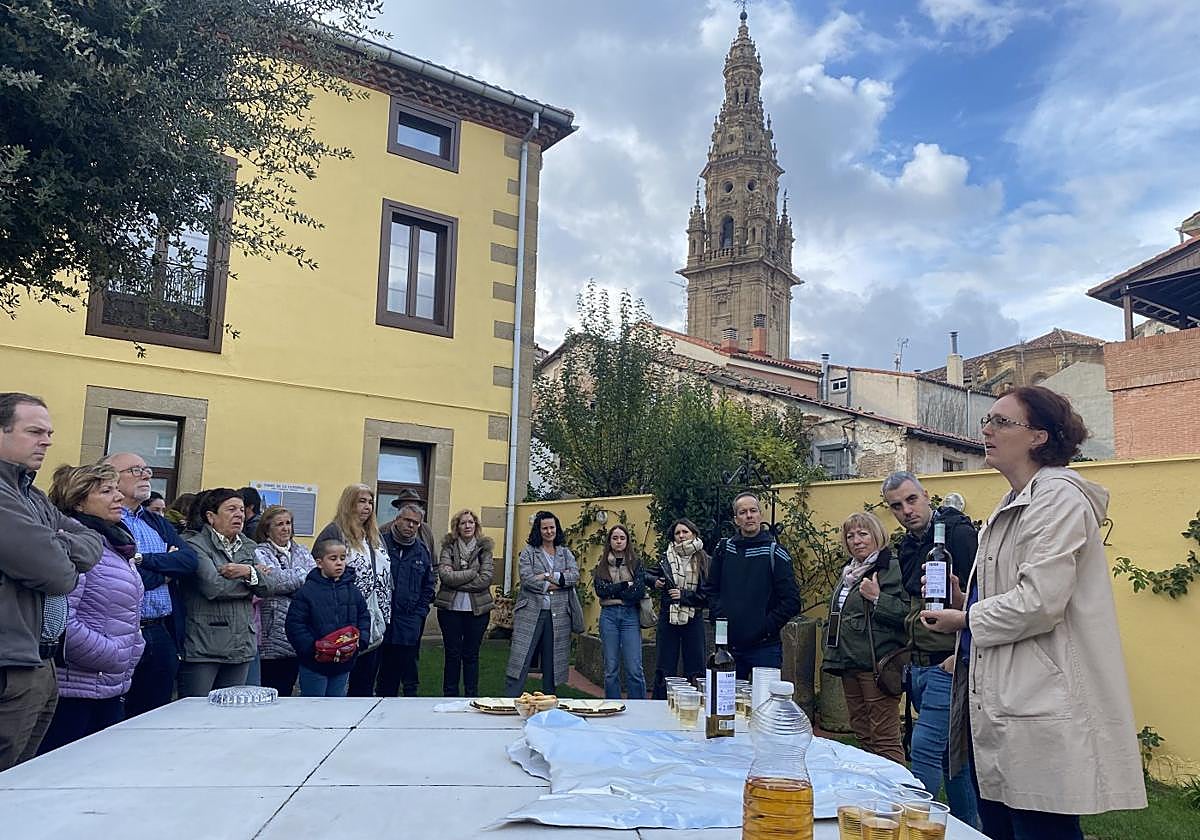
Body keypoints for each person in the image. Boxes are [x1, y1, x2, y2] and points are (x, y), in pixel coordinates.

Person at [923, 386, 1146, 840]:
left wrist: (966, 620)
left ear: (1039, 437)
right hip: (1002, 698)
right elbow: (1015, 595)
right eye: (988, 420)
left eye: (1002, 422)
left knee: (1041, 826)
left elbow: (1041, 602)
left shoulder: (1058, 499)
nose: (986, 429)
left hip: (1041, 698)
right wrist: (967, 603)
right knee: (1003, 825)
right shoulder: (1010, 503)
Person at [0, 393, 102, 769]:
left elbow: (93, 542)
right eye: (34, 431)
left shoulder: (31, 495)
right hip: (9, 668)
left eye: (49, 432)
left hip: (38, 663)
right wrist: (56, 545)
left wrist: (53, 540)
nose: (47, 441)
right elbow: (57, 575)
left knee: (21, 784)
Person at [881, 469, 979, 824]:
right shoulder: (907, 545)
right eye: (896, 506)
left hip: (949, 663)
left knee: (924, 749)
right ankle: (970, 829)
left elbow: (981, 598)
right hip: (920, 666)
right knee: (952, 760)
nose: (906, 510)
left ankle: (915, 825)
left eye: (911, 499)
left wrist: (960, 654)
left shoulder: (958, 534)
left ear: (926, 496)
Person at [39, 463, 145, 752]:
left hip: (110, 684)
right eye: (107, 491)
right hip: (76, 688)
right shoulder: (77, 546)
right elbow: (61, 621)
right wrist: (112, 654)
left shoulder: (114, 542)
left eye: (117, 489)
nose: (119, 497)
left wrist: (134, 648)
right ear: (79, 501)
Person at [104, 452, 198, 718]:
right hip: (121, 632)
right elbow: (124, 579)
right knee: (115, 717)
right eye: (135, 470)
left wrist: (143, 559)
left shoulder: (154, 520)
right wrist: (166, 571)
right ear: (112, 477)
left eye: (146, 469)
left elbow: (189, 561)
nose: (147, 475)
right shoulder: (107, 520)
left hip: (160, 630)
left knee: (153, 715)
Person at [819, 512, 908, 765]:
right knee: (862, 732)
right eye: (850, 536)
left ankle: (899, 794)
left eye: (863, 534)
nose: (856, 540)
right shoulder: (850, 571)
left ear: (876, 535)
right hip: (848, 662)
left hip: (876, 664)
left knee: (884, 738)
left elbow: (906, 612)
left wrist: (878, 597)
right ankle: (872, 791)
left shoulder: (889, 567)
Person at [177, 488, 276, 696]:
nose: (239, 514)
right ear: (211, 516)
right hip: (205, 644)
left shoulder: (248, 545)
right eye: (231, 509)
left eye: (241, 509)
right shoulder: (194, 544)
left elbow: (268, 586)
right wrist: (252, 582)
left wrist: (247, 572)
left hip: (241, 644)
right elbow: (213, 587)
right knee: (195, 713)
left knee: (229, 716)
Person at [702, 493, 800, 679]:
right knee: (726, 704)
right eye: (743, 512)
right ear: (736, 519)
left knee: (763, 705)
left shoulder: (775, 553)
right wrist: (718, 616)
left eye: (753, 511)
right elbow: (711, 590)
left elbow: (792, 601)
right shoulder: (723, 550)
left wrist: (765, 626)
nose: (749, 516)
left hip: (765, 648)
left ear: (760, 515)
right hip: (728, 649)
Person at [317, 484, 390, 697]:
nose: (367, 507)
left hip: (376, 616)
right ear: (349, 504)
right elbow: (321, 570)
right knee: (344, 681)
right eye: (361, 501)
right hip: (347, 616)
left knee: (366, 681)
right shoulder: (334, 532)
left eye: (370, 502)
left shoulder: (374, 535)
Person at [504, 511, 579, 697]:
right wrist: (557, 582)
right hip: (531, 612)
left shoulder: (565, 552)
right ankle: (511, 699)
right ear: (539, 530)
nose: (549, 531)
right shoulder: (529, 552)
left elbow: (574, 576)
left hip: (559, 615)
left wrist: (546, 577)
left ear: (557, 528)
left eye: (552, 527)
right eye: (545, 528)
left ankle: (548, 701)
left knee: (552, 661)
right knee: (521, 657)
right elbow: (527, 579)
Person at [286, 538, 370, 697]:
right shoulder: (307, 592)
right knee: (314, 707)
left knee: (336, 708)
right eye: (333, 558)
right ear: (319, 563)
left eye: (343, 558)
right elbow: (295, 625)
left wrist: (361, 640)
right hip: (315, 664)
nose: (339, 563)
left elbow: (364, 616)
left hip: (344, 662)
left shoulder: (352, 590)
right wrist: (313, 648)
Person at [253, 505, 316, 697]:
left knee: (288, 689)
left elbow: (314, 580)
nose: (285, 528)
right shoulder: (259, 552)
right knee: (269, 689)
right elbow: (272, 583)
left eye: (288, 523)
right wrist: (300, 576)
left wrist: (290, 578)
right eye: (279, 524)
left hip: (299, 628)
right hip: (272, 631)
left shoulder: (302, 551)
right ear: (267, 529)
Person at [433, 508, 495, 697]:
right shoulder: (448, 548)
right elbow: (444, 576)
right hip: (450, 610)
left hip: (478, 611)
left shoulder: (485, 549)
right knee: (452, 655)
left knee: (471, 655)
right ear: (457, 527)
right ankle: (450, 695)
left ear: (476, 526)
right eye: (463, 523)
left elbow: (485, 579)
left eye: (471, 522)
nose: (467, 526)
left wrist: (456, 581)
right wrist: (470, 574)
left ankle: (471, 695)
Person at [377, 502, 435, 696]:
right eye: (408, 520)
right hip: (380, 620)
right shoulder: (380, 545)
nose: (411, 526)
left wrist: (420, 613)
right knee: (380, 676)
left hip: (408, 622)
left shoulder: (421, 551)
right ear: (397, 519)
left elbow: (428, 585)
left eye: (416, 523)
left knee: (407, 671)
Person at [649, 517, 709, 699]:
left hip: (693, 618)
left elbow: (708, 594)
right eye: (677, 533)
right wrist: (655, 581)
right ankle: (660, 706)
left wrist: (684, 596)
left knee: (695, 666)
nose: (681, 536)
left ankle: (695, 705)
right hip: (668, 617)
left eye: (685, 532)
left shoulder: (705, 559)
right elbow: (646, 574)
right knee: (665, 665)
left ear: (694, 533)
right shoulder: (666, 558)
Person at [592, 524, 647, 700]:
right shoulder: (601, 565)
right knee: (611, 669)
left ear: (627, 541)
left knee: (634, 668)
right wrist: (624, 585)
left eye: (622, 538)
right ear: (610, 541)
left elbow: (637, 591)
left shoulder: (636, 563)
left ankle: (639, 708)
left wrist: (614, 590)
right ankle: (612, 705)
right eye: (615, 538)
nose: (618, 541)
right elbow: (600, 590)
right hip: (609, 616)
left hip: (630, 615)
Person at [385, 489, 436, 557]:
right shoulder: (384, 530)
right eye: (407, 507)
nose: (411, 525)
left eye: (414, 507)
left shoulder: (426, 531)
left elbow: (433, 562)